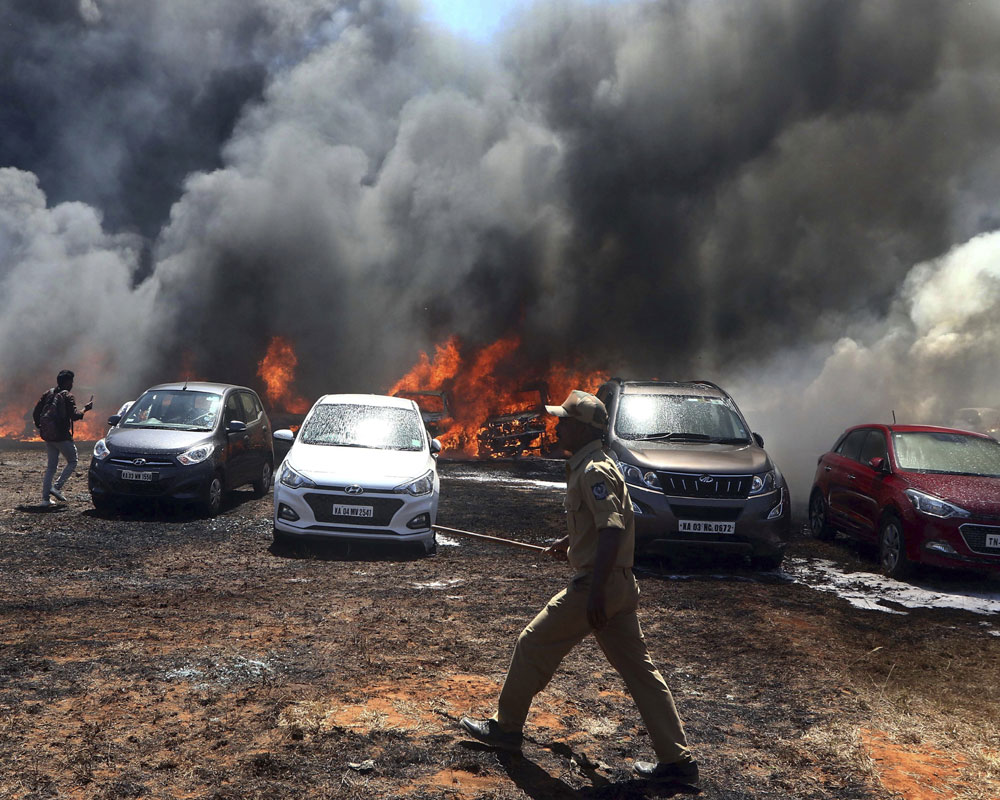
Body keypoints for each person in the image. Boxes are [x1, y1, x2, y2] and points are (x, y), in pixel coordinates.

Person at [459, 389, 698, 784]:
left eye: (564, 420)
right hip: (619, 584)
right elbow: (601, 522)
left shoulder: (593, 471)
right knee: (640, 672)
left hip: (597, 586)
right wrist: (569, 542)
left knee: (532, 643)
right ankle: (678, 762)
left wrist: (597, 592)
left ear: (582, 429)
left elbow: (610, 530)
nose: (557, 425)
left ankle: (506, 729)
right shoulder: (598, 463)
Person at [33, 370, 93, 506]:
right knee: (73, 460)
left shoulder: (48, 393)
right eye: (71, 381)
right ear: (67, 382)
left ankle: (45, 499)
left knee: (51, 467)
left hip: (48, 436)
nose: (72, 384)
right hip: (61, 436)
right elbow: (75, 416)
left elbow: (36, 411)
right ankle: (57, 487)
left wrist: (41, 426)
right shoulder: (67, 396)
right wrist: (86, 409)